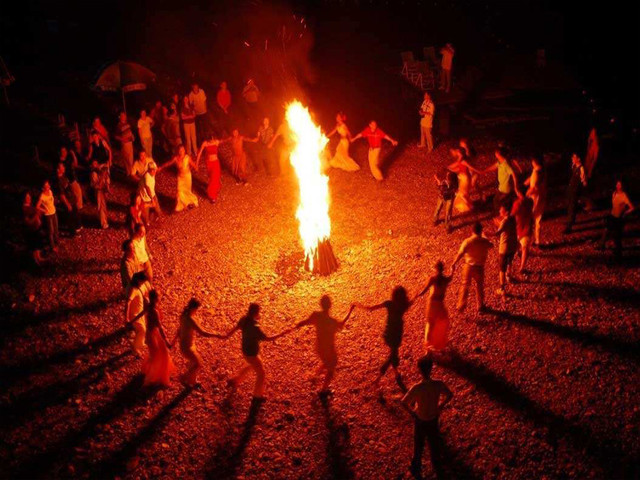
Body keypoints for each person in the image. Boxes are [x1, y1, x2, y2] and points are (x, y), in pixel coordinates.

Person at [222, 303, 287, 400]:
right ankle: (257, 396)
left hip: (245, 350)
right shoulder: (255, 326)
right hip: (252, 353)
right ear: (256, 312)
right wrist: (282, 334)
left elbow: (235, 328)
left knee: (251, 365)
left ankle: (235, 380)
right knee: (261, 373)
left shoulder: (243, 319)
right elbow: (268, 338)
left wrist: (227, 335)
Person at [402, 355, 453, 479]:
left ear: (419, 370)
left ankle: (416, 468)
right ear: (431, 368)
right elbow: (449, 395)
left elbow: (403, 402)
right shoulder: (438, 384)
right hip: (433, 419)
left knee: (418, 445)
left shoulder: (417, 388)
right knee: (434, 444)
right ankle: (437, 468)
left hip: (420, 420)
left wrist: (412, 412)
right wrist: (440, 405)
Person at [296, 296, 355, 395]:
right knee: (331, 368)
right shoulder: (332, 321)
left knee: (327, 361)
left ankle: (315, 374)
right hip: (329, 348)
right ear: (330, 305)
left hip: (319, 346)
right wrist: (350, 310)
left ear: (321, 304)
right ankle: (324, 390)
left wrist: (298, 324)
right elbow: (342, 323)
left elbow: (305, 322)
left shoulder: (316, 315)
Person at [355, 287, 411, 391]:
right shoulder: (403, 306)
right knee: (392, 356)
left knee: (393, 354)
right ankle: (378, 379)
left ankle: (396, 373)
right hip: (397, 335)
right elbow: (412, 300)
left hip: (388, 335)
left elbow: (371, 308)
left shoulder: (389, 304)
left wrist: (359, 305)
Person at [171, 298, 223, 387]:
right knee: (198, 363)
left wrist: (173, 341)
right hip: (187, 347)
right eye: (197, 309)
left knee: (193, 362)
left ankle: (193, 381)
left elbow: (179, 330)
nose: (197, 311)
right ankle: (183, 377)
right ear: (193, 308)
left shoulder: (183, 315)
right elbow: (202, 332)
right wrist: (217, 335)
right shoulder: (190, 320)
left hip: (187, 344)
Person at [451, 222, 493, 313]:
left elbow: (460, 253)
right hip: (480, 267)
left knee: (465, 285)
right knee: (479, 287)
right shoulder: (484, 241)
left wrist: (454, 263)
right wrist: (485, 236)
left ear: (472, 230)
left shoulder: (467, 241)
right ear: (481, 231)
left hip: (469, 267)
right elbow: (491, 245)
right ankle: (480, 306)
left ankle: (461, 306)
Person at [414, 261, 453, 351]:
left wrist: (417, 295)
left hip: (432, 303)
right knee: (442, 320)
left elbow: (424, 290)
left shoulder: (433, 279)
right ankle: (437, 343)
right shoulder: (445, 279)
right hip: (440, 304)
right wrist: (452, 268)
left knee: (430, 323)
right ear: (443, 269)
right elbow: (451, 276)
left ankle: (428, 346)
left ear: (436, 269)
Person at [140, 290, 174, 387]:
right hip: (154, 335)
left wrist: (132, 320)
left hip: (150, 333)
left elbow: (141, 313)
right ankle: (155, 377)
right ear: (155, 299)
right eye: (158, 297)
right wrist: (166, 340)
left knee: (154, 355)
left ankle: (153, 373)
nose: (159, 298)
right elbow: (159, 326)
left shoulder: (148, 306)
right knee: (161, 355)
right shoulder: (154, 311)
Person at [597, 181, 634, 258]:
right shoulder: (614, 193)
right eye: (617, 184)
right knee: (606, 230)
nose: (618, 186)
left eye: (619, 185)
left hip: (618, 219)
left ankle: (618, 253)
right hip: (612, 216)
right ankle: (601, 245)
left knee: (617, 236)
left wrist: (625, 213)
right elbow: (614, 206)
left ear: (622, 186)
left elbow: (632, 208)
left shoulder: (624, 196)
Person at [159, 145, 199, 211]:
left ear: (184, 151)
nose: (181, 152)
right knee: (179, 191)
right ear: (178, 151)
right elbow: (168, 163)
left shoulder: (187, 158)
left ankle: (188, 203)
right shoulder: (176, 158)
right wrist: (161, 167)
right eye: (180, 150)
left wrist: (195, 167)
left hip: (187, 177)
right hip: (180, 177)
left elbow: (193, 165)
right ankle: (183, 204)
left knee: (187, 191)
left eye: (182, 150)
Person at [483, 148, 521, 214]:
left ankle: (499, 213)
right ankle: (505, 211)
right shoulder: (500, 161)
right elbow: (494, 166)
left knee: (496, 200)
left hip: (505, 187)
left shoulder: (506, 165)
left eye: (496, 154)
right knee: (502, 200)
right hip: (502, 186)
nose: (495, 155)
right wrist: (483, 171)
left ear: (500, 155)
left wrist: (516, 187)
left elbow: (514, 175)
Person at [493, 205, 518, 296]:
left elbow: (497, 233)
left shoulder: (505, 221)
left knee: (501, 268)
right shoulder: (513, 219)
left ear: (506, 212)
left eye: (501, 210)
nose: (500, 212)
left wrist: (487, 233)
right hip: (513, 245)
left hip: (505, 247)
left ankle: (502, 288)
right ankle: (509, 276)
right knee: (509, 261)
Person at [125, 271, 151, 356]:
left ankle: (139, 344)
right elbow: (128, 302)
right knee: (142, 330)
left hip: (140, 313)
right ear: (138, 280)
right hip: (134, 315)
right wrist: (126, 317)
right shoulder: (133, 290)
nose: (143, 283)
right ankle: (135, 348)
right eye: (142, 281)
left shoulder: (138, 287)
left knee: (142, 330)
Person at [447, 147, 480, 214]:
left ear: (461, 153)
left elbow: (471, 167)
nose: (457, 153)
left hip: (465, 178)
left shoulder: (464, 161)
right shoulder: (460, 160)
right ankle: (467, 207)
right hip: (462, 177)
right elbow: (458, 168)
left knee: (462, 194)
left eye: (458, 152)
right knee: (462, 193)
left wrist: (479, 172)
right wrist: (452, 169)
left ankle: (471, 207)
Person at [524, 157, 546, 246]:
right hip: (542, 196)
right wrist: (528, 181)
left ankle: (528, 239)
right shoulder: (541, 170)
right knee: (538, 218)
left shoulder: (537, 172)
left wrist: (527, 194)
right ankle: (537, 240)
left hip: (535, 197)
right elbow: (534, 178)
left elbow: (534, 188)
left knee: (532, 217)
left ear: (534, 162)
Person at [55, 162, 81, 234]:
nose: (64, 168)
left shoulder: (64, 177)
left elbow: (69, 187)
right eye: (62, 167)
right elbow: (61, 195)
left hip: (72, 199)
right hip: (68, 201)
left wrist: (74, 195)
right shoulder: (58, 181)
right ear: (58, 169)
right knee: (70, 217)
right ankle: (72, 233)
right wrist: (67, 204)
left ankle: (77, 227)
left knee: (75, 213)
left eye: (64, 167)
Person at [564, 153, 587, 233]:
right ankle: (571, 221)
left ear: (579, 159)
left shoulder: (581, 168)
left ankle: (569, 227)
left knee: (572, 207)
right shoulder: (573, 166)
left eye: (574, 157)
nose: (572, 158)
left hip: (575, 191)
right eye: (572, 157)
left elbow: (584, 182)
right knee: (569, 205)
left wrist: (580, 192)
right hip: (571, 189)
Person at [511, 194, 534, 273]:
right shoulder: (530, 201)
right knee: (524, 248)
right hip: (526, 228)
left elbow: (512, 214)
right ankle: (522, 267)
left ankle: (521, 267)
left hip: (519, 228)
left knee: (522, 247)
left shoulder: (517, 203)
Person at [196, 135, 222, 202]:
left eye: (213, 139)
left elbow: (224, 141)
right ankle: (214, 189)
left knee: (214, 178)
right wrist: (196, 163)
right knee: (212, 178)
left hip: (216, 163)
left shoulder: (216, 142)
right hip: (209, 163)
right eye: (210, 139)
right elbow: (200, 153)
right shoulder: (205, 143)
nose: (212, 140)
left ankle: (212, 196)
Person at [36, 180, 58, 251]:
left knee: (56, 228)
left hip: (54, 212)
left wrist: (53, 205)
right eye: (46, 186)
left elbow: (52, 200)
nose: (48, 186)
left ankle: (56, 241)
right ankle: (52, 246)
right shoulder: (42, 196)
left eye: (48, 185)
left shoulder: (50, 191)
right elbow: (37, 206)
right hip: (48, 215)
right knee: (51, 231)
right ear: (43, 188)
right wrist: (44, 210)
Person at [23, 191, 44, 265]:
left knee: (37, 243)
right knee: (34, 245)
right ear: (24, 199)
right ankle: (35, 261)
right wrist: (36, 216)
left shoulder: (30, 206)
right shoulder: (24, 209)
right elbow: (27, 222)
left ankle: (39, 257)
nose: (29, 199)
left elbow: (36, 212)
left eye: (29, 197)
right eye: (27, 197)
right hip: (32, 230)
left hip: (37, 228)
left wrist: (39, 213)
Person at [59, 146, 83, 211]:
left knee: (78, 192)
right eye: (62, 151)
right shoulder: (60, 162)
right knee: (74, 193)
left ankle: (78, 207)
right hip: (66, 180)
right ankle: (77, 207)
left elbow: (75, 164)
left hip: (72, 178)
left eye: (65, 151)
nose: (64, 153)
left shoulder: (68, 159)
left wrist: (73, 154)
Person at [90, 161, 110, 229]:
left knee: (104, 206)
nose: (96, 165)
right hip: (99, 191)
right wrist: (102, 177)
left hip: (103, 191)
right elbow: (96, 185)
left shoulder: (101, 171)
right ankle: (103, 223)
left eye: (96, 163)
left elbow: (107, 180)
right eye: (94, 164)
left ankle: (105, 221)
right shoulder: (94, 174)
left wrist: (107, 188)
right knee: (101, 207)